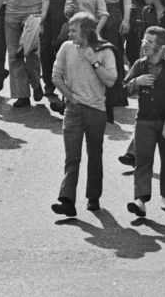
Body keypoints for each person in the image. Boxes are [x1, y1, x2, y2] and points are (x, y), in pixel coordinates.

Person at [51, 12, 118, 217]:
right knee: (72, 157)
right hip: (74, 110)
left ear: (87, 32)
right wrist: (70, 98)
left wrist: (94, 62)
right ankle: (67, 200)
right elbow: (56, 76)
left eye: (73, 30)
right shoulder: (66, 48)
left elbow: (111, 81)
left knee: (94, 155)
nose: (69, 34)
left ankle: (93, 197)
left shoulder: (104, 51)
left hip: (96, 111)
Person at [124, 26, 165, 216]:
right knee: (143, 160)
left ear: (160, 47)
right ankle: (140, 199)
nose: (144, 45)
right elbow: (123, 89)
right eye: (144, 40)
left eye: (149, 42)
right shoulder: (138, 65)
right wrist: (137, 82)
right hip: (144, 120)